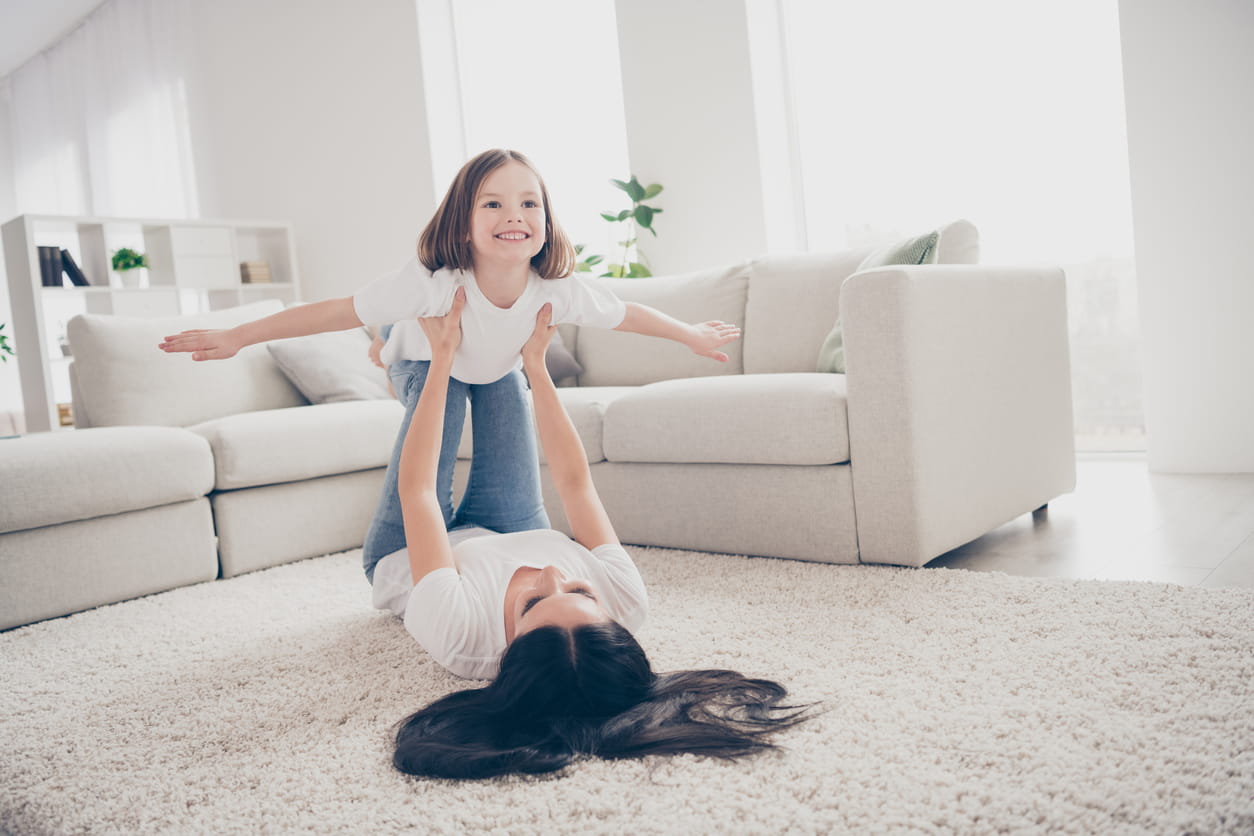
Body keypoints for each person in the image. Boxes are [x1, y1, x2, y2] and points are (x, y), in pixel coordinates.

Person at [158, 148, 741, 582]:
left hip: (495, 367)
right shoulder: (436, 285)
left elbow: (626, 313)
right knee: (442, 391)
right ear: (464, 221)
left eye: (528, 202)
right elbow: (334, 310)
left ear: (545, 220)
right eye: (493, 202)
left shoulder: (553, 288)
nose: (514, 214)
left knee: (505, 389)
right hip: (424, 361)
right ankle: (385, 345)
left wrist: (688, 333)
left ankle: (388, 341)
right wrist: (239, 334)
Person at [382, 289, 810, 779]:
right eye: (578, 589)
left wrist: (440, 360)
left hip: (411, 551)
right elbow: (574, 482)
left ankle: (388, 341)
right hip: (517, 530)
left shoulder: (461, 638)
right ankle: (404, 343)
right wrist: (537, 365)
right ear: (611, 615)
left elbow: (418, 495)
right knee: (500, 370)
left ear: (506, 655)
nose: (551, 573)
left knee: (446, 378)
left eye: (532, 603)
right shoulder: (627, 600)